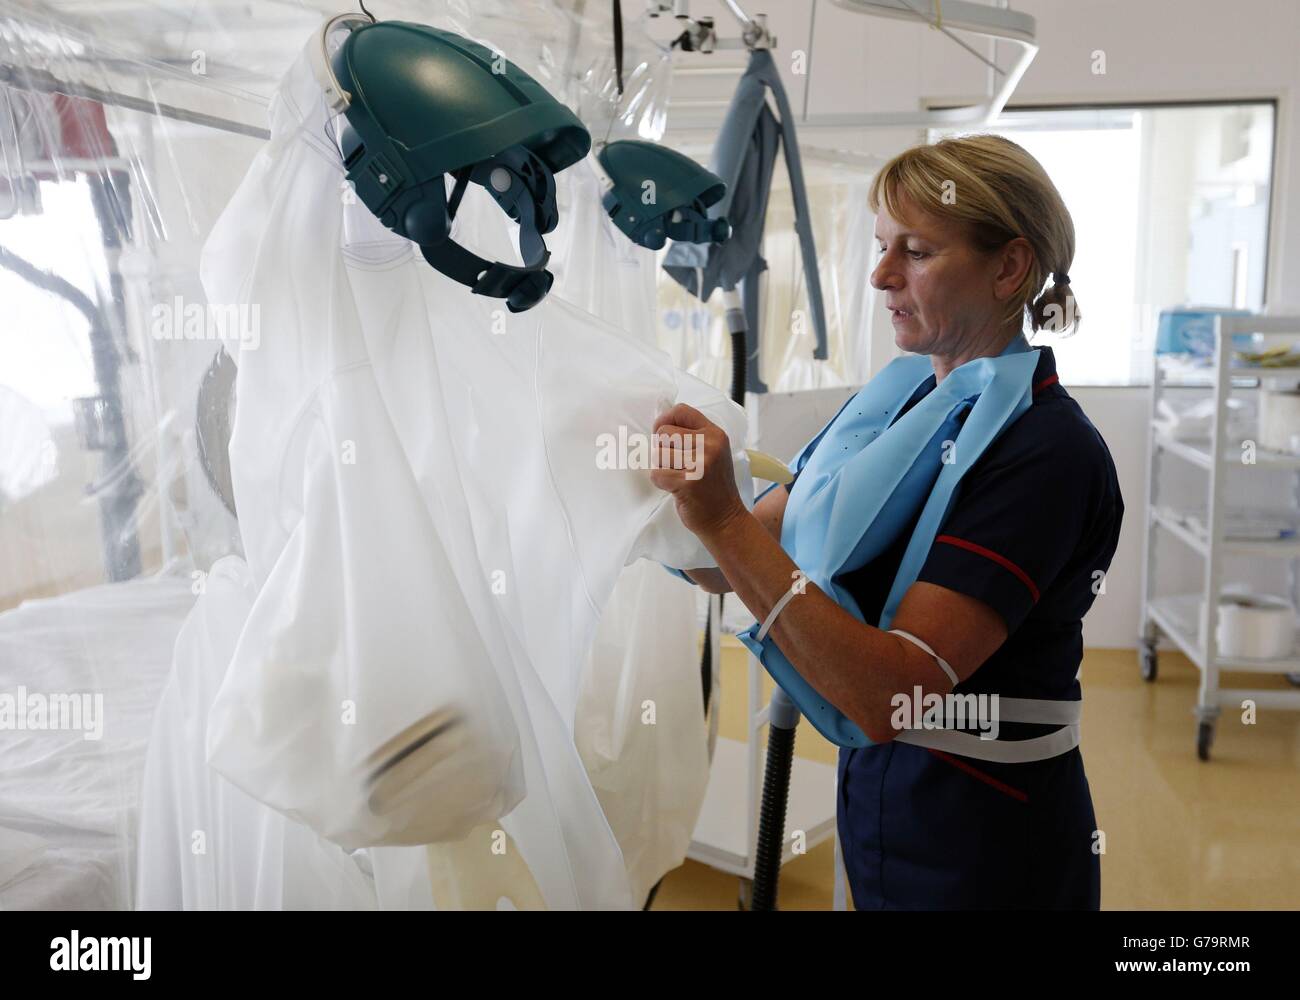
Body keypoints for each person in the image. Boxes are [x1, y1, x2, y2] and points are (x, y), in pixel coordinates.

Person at [652, 134, 1123, 909]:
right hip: (881, 794)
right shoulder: (897, 403)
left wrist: (724, 520)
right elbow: (732, 555)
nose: (880, 276)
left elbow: (889, 696)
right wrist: (672, 498)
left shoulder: (1046, 452)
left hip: (987, 831)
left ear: (1009, 267)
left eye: (916, 251)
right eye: (880, 247)